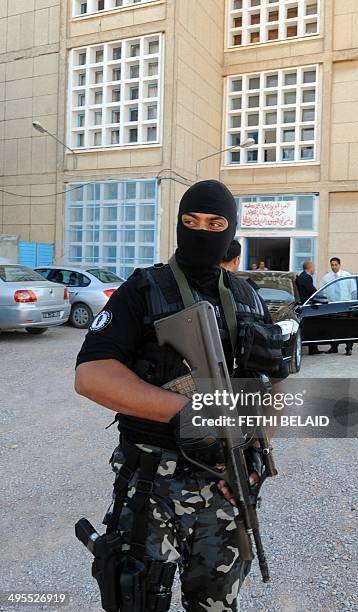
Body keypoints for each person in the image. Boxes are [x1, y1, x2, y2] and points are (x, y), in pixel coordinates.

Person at [74, 180, 282, 611]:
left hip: (226, 481)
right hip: (153, 482)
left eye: (214, 223)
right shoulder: (144, 288)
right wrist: (187, 410)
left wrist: (256, 454)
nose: (201, 231)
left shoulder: (249, 297)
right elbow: (92, 375)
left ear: (230, 229)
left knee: (217, 603)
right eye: (190, 221)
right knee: (138, 597)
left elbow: (273, 386)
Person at [320, 257, 355, 356]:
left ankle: (349, 348)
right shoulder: (326, 278)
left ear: (339, 265)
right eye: (332, 265)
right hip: (333, 306)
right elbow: (322, 292)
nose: (334, 267)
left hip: (345, 305)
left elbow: (353, 291)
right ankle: (334, 347)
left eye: (336, 265)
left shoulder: (347, 276)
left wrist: (352, 305)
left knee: (347, 328)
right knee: (333, 328)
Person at [296, 261, 322, 355]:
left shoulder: (303, 276)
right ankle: (313, 349)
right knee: (312, 327)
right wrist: (320, 294)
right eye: (314, 267)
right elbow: (311, 290)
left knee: (311, 327)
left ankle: (313, 349)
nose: (314, 269)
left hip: (306, 305)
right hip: (307, 306)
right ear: (309, 268)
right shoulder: (306, 277)